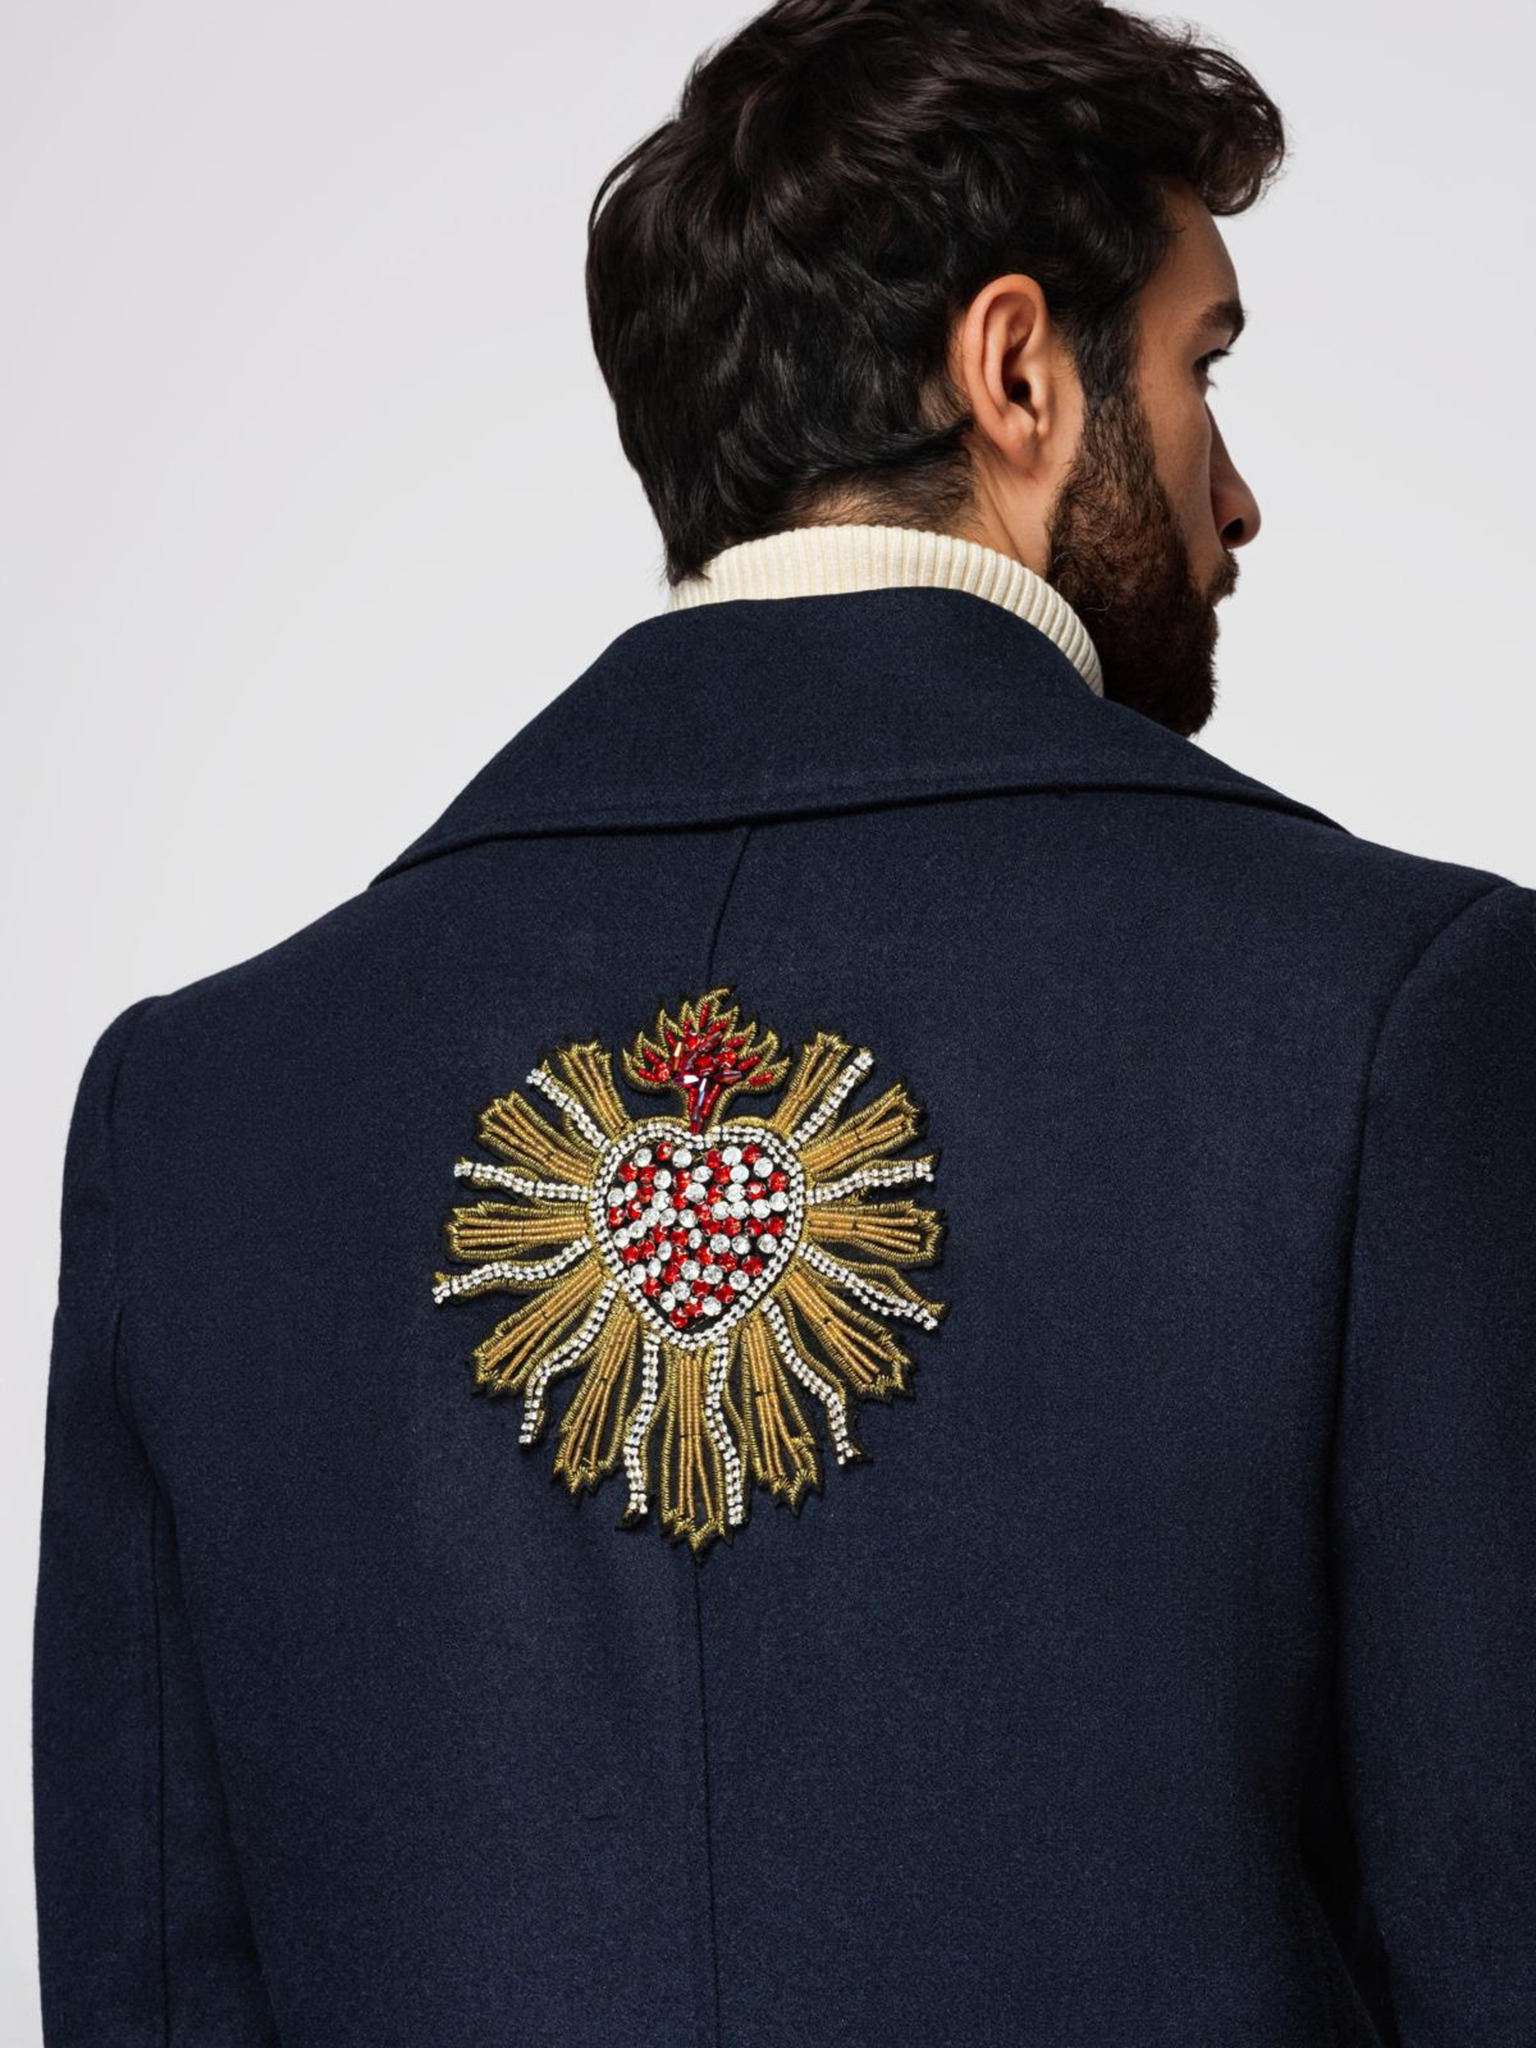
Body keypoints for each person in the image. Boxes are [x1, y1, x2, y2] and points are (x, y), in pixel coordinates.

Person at [32, 1, 1534, 2043]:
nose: (1237, 494)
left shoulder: (199, 1113)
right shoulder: (1406, 1020)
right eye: (1202, 369)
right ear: (1018, 371)